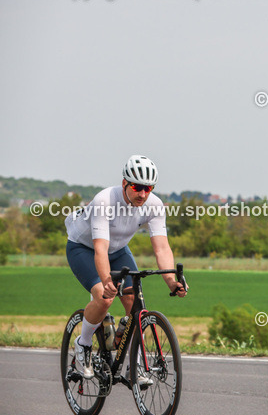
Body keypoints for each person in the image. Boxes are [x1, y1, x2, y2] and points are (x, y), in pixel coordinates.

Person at [66, 155, 187, 381]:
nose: (143, 194)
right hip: (83, 248)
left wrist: (171, 281)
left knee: (135, 305)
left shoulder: (155, 206)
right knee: (104, 297)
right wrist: (106, 280)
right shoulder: (105, 201)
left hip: (119, 250)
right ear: (124, 183)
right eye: (137, 187)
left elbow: (161, 248)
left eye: (148, 188)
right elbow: (100, 249)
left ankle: (134, 364)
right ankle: (82, 345)